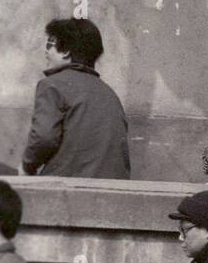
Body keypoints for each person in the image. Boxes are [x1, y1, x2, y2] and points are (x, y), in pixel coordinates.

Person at [22, 17, 130, 179]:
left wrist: (26, 167)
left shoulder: (52, 85)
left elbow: (43, 139)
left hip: (69, 191)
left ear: (66, 51)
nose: (46, 52)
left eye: (49, 45)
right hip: (113, 192)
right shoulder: (109, 94)